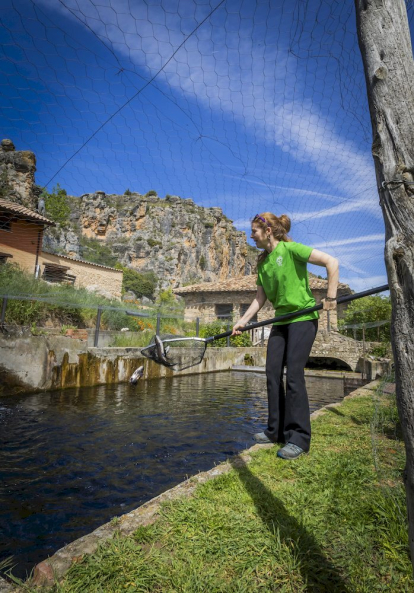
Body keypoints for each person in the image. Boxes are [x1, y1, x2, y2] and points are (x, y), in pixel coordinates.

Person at [232, 212, 339, 460]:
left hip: (303, 318)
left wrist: (330, 298)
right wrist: (242, 321)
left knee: (293, 376)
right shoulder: (263, 263)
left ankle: (299, 438)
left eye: (254, 232)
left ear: (268, 231)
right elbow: (260, 298)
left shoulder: (292, 250)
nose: (251, 236)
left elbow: (332, 262)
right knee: (271, 373)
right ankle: (275, 431)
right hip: (281, 320)